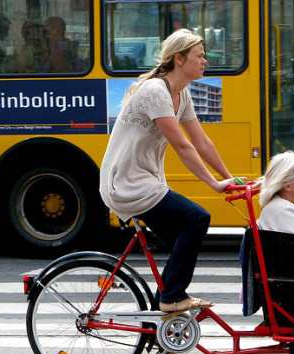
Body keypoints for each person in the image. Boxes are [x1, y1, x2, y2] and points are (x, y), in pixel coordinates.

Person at [100, 28, 237, 313]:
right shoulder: (154, 91)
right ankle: (172, 298)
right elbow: (183, 147)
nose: (204, 62)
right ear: (179, 59)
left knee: (183, 241)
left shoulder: (180, 93)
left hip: (144, 180)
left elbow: (201, 140)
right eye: (199, 56)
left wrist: (229, 178)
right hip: (127, 183)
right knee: (198, 219)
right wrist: (214, 184)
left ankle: (164, 312)